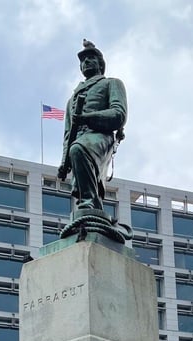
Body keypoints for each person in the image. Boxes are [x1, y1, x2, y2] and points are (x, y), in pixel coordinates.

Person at [57, 40, 127, 216]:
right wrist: (63, 162)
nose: (86, 62)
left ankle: (89, 203)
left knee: (78, 149)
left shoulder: (111, 83)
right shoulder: (71, 100)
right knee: (75, 150)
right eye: (83, 60)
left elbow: (118, 115)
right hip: (78, 142)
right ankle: (89, 204)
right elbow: (67, 135)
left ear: (100, 64)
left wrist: (87, 119)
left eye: (90, 58)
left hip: (100, 135)